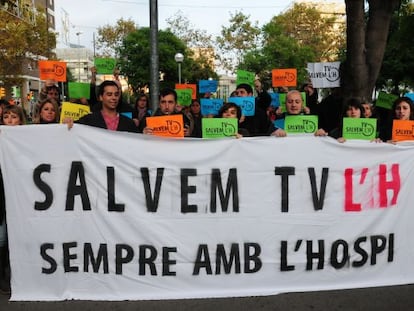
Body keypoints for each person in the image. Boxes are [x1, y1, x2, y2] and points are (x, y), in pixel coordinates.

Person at [0, 105, 26, 295]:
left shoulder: (29, 138)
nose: (10, 120)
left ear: (21, 120)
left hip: (23, 196)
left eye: (14, 117)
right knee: (2, 238)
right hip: (2, 197)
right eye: (6, 117)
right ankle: (3, 274)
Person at [73, 80, 138, 133]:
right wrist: (67, 122)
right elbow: (71, 130)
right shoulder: (88, 120)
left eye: (116, 94)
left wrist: (145, 135)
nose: (114, 97)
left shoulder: (129, 123)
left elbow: (137, 141)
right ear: (101, 97)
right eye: (109, 94)